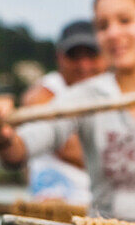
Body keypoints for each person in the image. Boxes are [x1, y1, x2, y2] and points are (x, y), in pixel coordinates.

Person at [0, 0, 135, 221]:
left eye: (125, 20)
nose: (113, 33)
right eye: (103, 26)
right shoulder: (86, 96)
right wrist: (2, 137)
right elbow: (21, 148)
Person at [20, 19, 106, 205]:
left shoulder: (112, 92)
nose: (84, 65)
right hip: (60, 203)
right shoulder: (44, 93)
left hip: (102, 209)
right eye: (74, 56)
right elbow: (69, 149)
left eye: (91, 56)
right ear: (60, 58)